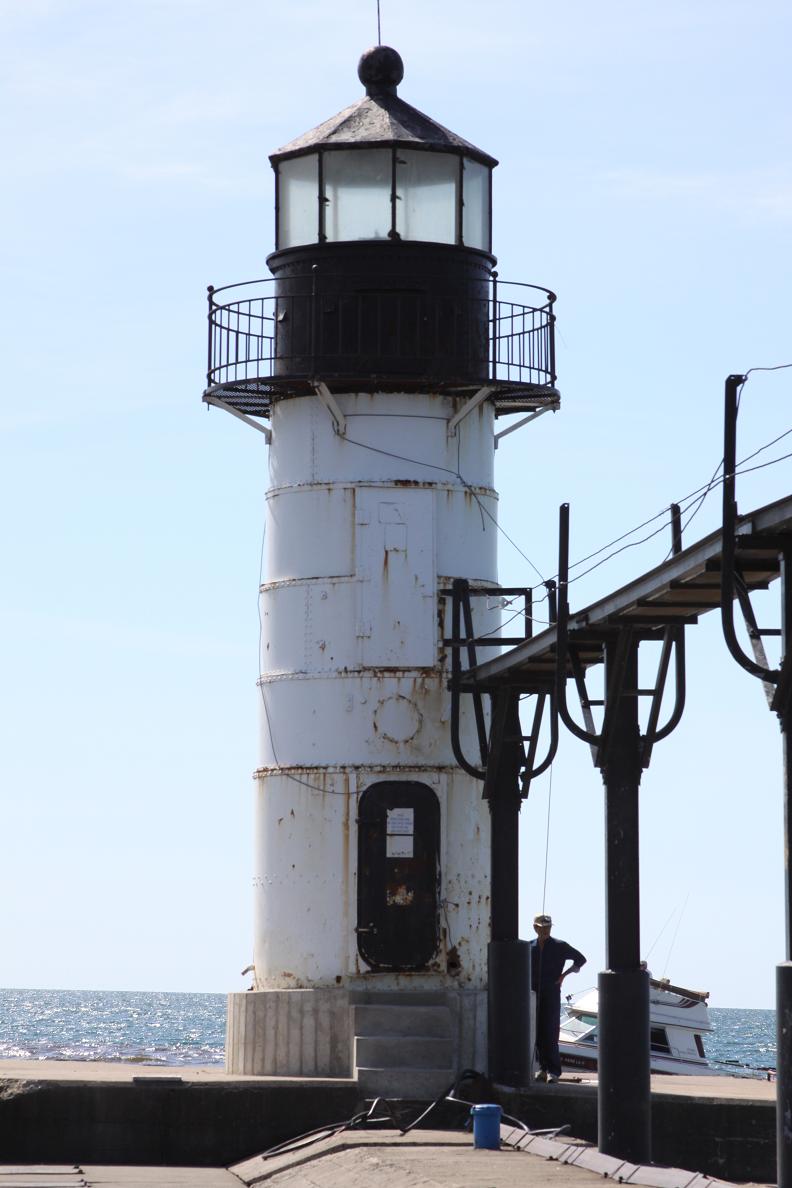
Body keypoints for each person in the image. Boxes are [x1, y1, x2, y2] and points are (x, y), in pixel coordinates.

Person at [530, 913, 586, 1083]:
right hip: (533, 994)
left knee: (550, 1031)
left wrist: (563, 976)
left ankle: (554, 1071)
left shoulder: (560, 946)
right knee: (536, 1032)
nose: (545, 930)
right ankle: (542, 1069)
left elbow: (580, 959)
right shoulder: (528, 947)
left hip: (552, 992)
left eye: (548, 927)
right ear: (535, 928)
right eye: (542, 928)